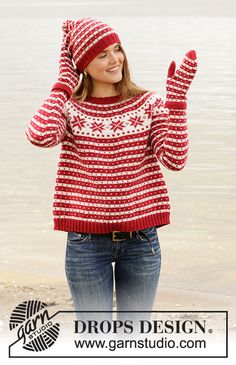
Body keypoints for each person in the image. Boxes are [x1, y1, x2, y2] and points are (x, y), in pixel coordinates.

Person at [25, 18, 197, 325]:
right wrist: (65, 81)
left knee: (134, 337)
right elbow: (39, 134)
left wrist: (177, 101)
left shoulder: (148, 104)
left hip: (141, 242)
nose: (115, 59)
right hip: (85, 243)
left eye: (117, 49)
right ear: (81, 63)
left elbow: (174, 159)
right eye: (102, 54)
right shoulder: (70, 108)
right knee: (94, 340)